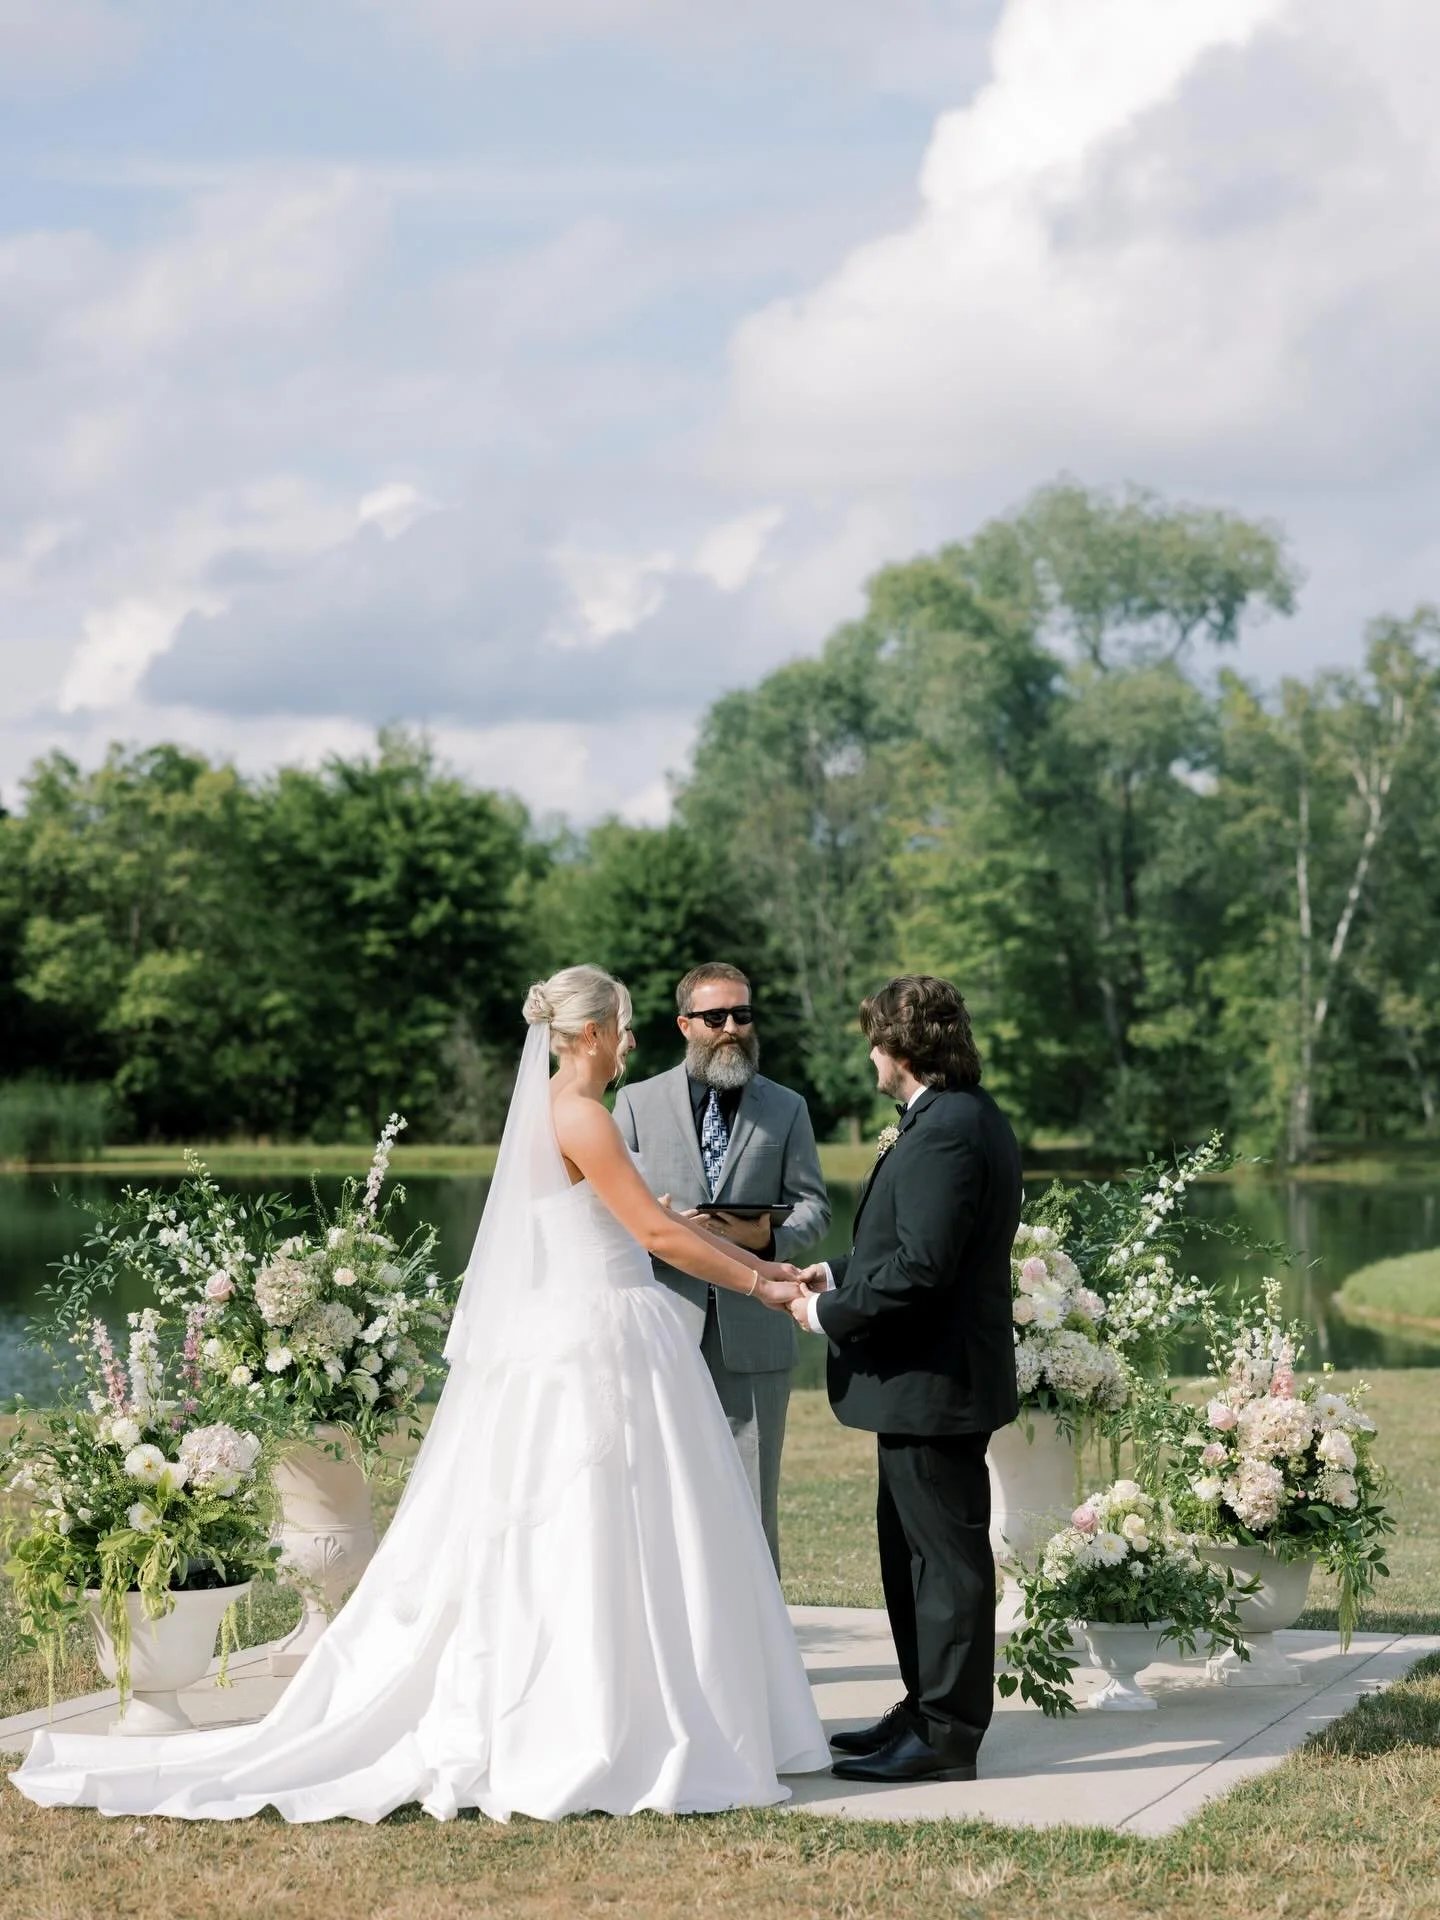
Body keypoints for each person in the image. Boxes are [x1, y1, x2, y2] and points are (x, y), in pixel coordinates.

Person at [13, 965, 831, 1823]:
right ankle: (597, 1718)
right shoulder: (583, 1115)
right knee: (592, 1527)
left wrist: (766, 1264)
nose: (632, 1039)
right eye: (624, 1024)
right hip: (602, 1337)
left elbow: (645, 1222)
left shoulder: (569, 1113)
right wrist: (764, 1290)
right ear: (589, 1034)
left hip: (607, 1329)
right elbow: (658, 1231)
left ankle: (635, 1704)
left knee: (627, 1530)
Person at [791, 975, 1021, 1785]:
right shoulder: (948, 1118)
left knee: (945, 1564)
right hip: (924, 1383)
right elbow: (912, 1242)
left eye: (873, 1041)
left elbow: (925, 1268)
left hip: (935, 1381)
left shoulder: (949, 1129)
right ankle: (923, 1706)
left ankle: (948, 1732)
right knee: (912, 1556)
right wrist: (836, 1269)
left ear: (900, 1049)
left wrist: (831, 1315)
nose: (868, 1056)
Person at [613, 961, 829, 1574]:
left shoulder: (786, 1108)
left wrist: (770, 1237)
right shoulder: (634, 1101)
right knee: (656, 1497)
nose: (732, 1027)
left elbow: (815, 1205)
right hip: (660, 1328)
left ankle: (761, 1660)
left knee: (751, 1502)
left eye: (743, 1014)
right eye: (716, 1017)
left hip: (755, 1333)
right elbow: (611, 1210)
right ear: (685, 1024)